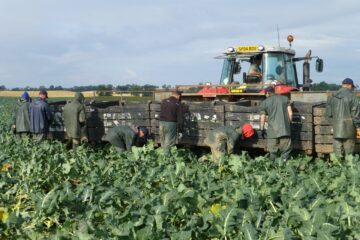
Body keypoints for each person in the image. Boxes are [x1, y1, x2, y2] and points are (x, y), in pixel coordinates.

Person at [326, 78, 360, 159]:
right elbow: (355, 115)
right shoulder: (353, 97)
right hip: (349, 130)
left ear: (342, 85)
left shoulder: (332, 97)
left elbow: (328, 115)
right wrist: (358, 127)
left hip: (336, 130)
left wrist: (333, 126)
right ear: (349, 85)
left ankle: (337, 170)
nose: (352, 89)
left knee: (337, 157)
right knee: (349, 156)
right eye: (352, 87)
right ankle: (348, 170)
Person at [260, 86, 293, 161]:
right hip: (284, 130)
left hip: (272, 131)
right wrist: (289, 124)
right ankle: (283, 165)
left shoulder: (265, 102)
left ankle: (273, 166)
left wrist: (262, 129)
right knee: (285, 150)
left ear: (268, 93)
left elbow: (263, 117)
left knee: (272, 151)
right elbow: (290, 114)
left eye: (265, 94)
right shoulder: (285, 99)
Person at [159, 90, 183, 155]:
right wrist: (180, 131)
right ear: (178, 96)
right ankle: (167, 160)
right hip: (171, 124)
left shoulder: (163, 101)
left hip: (161, 123)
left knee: (163, 142)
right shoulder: (178, 103)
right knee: (169, 143)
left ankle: (162, 157)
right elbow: (180, 118)